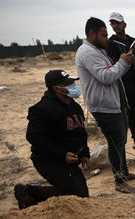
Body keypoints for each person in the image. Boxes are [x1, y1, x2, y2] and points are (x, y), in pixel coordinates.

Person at [76, 16, 135, 194]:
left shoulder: (97, 50)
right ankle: (120, 181)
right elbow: (106, 76)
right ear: (92, 33)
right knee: (115, 144)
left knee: (120, 142)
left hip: (114, 104)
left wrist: (125, 63)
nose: (107, 38)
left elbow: (114, 72)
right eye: (104, 35)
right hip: (104, 107)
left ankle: (124, 173)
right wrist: (122, 62)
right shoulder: (87, 52)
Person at [13, 70, 90, 209]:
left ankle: (34, 199)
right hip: (48, 159)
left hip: (69, 159)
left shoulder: (74, 106)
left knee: (82, 195)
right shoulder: (43, 109)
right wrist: (61, 154)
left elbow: (80, 133)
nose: (73, 86)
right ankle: (29, 192)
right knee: (76, 195)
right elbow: (33, 136)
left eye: (72, 82)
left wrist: (85, 153)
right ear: (56, 88)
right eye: (68, 84)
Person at [106, 12, 135, 152]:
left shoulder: (133, 41)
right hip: (125, 82)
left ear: (124, 24)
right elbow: (112, 64)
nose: (116, 26)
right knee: (133, 111)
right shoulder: (111, 43)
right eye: (113, 23)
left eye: (118, 23)